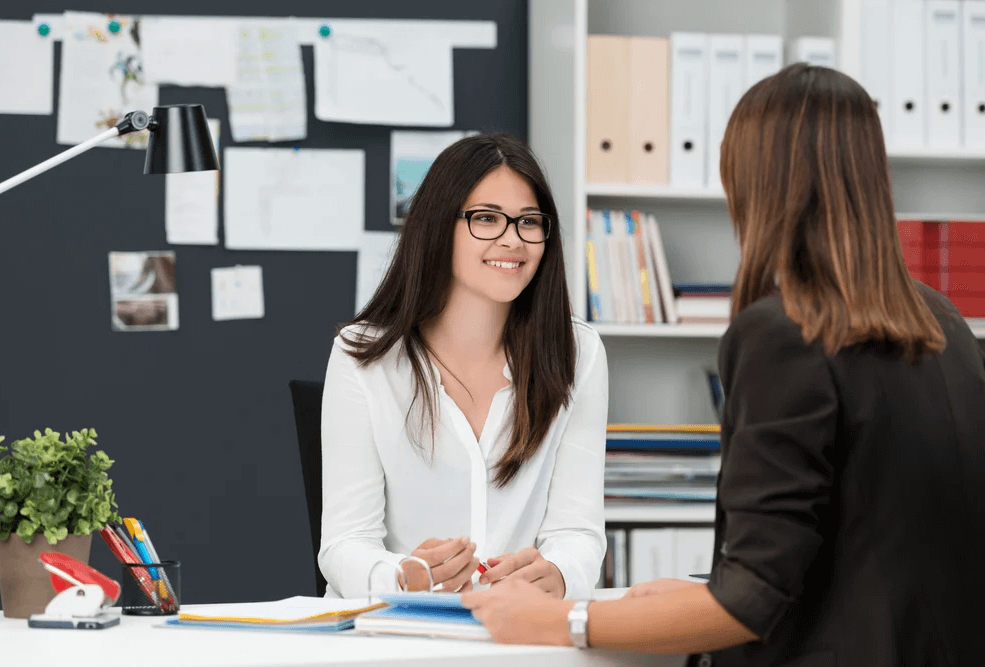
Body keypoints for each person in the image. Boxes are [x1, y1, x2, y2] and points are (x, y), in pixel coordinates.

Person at [462, 64, 985, 665]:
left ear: (753, 183)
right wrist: (694, 599)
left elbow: (751, 600)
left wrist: (564, 621)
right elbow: (853, 554)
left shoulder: (783, 333)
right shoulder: (942, 323)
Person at [319, 132, 609, 601]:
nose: (513, 240)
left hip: (519, 632)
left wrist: (557, 572)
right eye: (487, 218)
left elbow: (578, 532)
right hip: (396, 636)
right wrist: (405, 576)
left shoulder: (578, 352)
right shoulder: (362, 355)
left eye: (529, 222)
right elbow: (344, 544)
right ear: (438, 227)